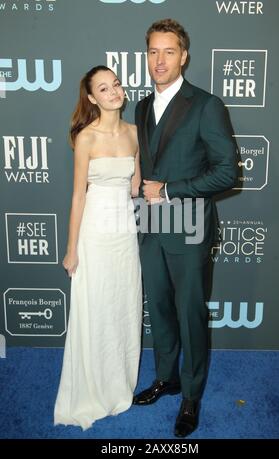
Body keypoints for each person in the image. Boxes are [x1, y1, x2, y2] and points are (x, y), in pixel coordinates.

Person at [133, 19, 237, 437]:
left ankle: (191, 395)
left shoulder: (206, 104)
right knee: (158, 308)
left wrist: (171, 189)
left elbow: (227, 172)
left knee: (190, 314)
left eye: (169, 52)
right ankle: (166, 378)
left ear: (184, 56)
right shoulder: (141, 106)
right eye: (153, 52)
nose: (160, 60)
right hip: (150, 224)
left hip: (189, 224)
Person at [54, 65, 142, 430]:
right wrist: (72, 248)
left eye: (116, 84)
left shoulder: (136, 133)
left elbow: (135, 183)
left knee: (123, 305)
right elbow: (78, 195)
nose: (114, 92)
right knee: (96, 308)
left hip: (124, 233)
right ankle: (93, 386)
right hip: (94, 233)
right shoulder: (85, 138)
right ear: (92, 98)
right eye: (104, 89)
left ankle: (119, 382)